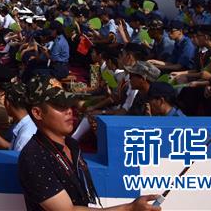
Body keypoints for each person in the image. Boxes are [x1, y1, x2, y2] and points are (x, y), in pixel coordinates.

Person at [17, 76, 158, 211]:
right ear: (37, 113)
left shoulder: (72, 144)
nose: (69, 111)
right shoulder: (33, 158)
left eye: (69, 104)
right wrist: (129, 209)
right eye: (60, 106)